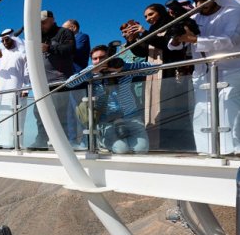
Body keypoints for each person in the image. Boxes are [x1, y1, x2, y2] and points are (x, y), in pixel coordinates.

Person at [169, 0, 240, 155]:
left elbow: (230, 41)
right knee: (203, 112)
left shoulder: (235, 14)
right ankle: (208, 150)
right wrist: (178, 37)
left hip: (236, 71)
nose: (200, 4)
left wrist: (195, 40)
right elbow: (174, 46)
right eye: (197, 1)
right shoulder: (194, 17)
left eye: (204, 0)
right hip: (204, 73)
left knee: (233, 110)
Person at [123, 4, 195, 152]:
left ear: (160, 12)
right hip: (153, 75)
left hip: (170, 73)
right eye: (145, 17)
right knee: (153, 109)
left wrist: (144, 33)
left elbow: (167, 45)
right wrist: (132, 40)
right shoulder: (152, 31)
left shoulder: (172, 25)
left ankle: (177, 145)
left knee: (170, 109)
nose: (148, 19)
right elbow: (143, 52)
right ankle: (158, 144)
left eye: (151, 14)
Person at [66, 45, 156, 154]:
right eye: (95, 59)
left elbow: (154, 68)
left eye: (102, 57)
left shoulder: (122, 68)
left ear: (110, 57)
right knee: (121, 150)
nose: (99, 61)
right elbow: (69, 83)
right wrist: (91, 72)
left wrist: (124, 68)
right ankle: (101, 141)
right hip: (106, 121)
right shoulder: (91, 72)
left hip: (131, 117)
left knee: (141, 150)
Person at [29, 10, 77, 150]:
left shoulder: (64, 32)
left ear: (52, 19)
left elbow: (71, 49)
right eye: (39, 23)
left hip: (59, 80)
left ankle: (63, 142)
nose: (41, 25)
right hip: (42, 82)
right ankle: (42, 141)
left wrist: (49, 47)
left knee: (61, 112)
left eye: (43, 22)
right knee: (39, 112)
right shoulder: (39, 35)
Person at [0, 28, 29, 149]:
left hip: (15, 91)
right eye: (3, 40)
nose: (5, 42)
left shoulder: (21, 54)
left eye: (7, 40)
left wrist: (25, 89)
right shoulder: (0, 54)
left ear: (13, 39)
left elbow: (26, 74)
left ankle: (16, 143)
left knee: (16, 117)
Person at [63, 19, 91, 148]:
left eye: (65, 29)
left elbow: (74, 52)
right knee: (70, 113)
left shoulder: (82, 37)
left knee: (81, 112)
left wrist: (59, 48)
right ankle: (72, 140)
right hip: (69, 80)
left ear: (73, 27)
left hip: (79, 80)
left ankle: (86, 141)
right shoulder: (69, 41)